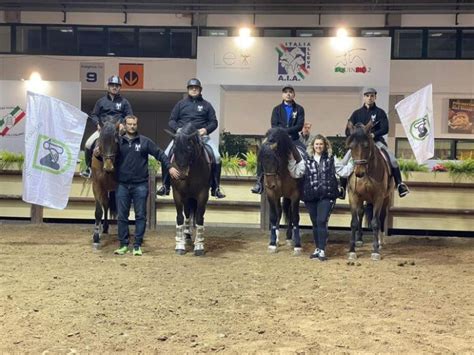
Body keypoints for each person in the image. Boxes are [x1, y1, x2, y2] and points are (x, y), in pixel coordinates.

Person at [113, 115, 180, 256]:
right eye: (129, 124)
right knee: (122, 216)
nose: (132, 126)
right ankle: (123, 245)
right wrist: (98, 154)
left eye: (134, 124)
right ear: (125, 125)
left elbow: (160, 154)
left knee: (141, 215)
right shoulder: (117, 142)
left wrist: (169, 167)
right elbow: (106, 155)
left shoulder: (144, 142)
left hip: (140, 185)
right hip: (122, 185)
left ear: (137, 125)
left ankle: (137, 245)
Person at [156, 78, 226, 199]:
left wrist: (205, 130)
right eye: (191, 88)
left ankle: (215, 187)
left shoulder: (206, 105)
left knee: (217, 156)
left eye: (196, 88)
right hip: (182, 138)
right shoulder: (180, 104)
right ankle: (165, 185)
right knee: (166, 154)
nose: (194, 90)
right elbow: (171, 120)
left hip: (201, 138)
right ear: (188, 90)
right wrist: (178, 129)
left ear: (200, 90)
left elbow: (214, 122)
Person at [341, 87, 410, 198]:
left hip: (376, 142)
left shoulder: (380, 112)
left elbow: (385, 128)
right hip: (360, 144)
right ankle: (342, 187)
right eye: (367, 96)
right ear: (364, 97)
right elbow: (347, 130)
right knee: (344, 161)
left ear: (375, 97)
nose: (369, 98)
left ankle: (400, 184)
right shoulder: (356, 113)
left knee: (392, 159)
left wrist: (374, 134)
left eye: (372, 96)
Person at [251, 85, 306, 194]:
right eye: (286, 92)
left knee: (306, 154)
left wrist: (285, 132)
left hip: (294, 140)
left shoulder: (299, 109)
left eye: (290, 92)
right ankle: (258, 182)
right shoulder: (276, 109)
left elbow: (299, 125)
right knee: (263, 153)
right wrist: (282, 134)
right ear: (282, 95)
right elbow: (274, 125)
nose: (288, 94)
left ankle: (306, 183)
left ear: (294, 94)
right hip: (277, 141)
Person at [80, 75, 133, 179]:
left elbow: (129, 115)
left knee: (131, 146)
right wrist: (97, 124)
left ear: (120, 87)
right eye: (112, 85)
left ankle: (131, 169)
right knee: (88, 144)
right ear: (108, 87)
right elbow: (94, 114)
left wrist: (123, 123)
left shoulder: (124, 102)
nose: (114, 87)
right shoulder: (101, 101)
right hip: (103, 130)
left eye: (117, 85)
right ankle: (88, 168)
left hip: (119, 130)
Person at [301, 134, 338, 261]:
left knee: (322, 221)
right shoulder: (306, 160)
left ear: (325, 145)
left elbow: (341, 170)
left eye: (321, 144)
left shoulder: (331, 159)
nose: (318, 146)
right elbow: (298, 172)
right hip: (310, 196)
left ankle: (322, 250)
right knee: (315, 222)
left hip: (326, 195)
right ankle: (317, 248)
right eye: (316, 144)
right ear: (313, 146)